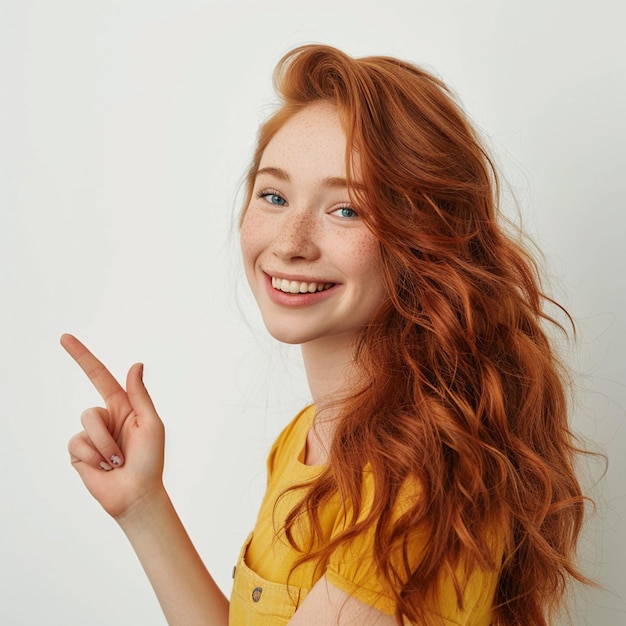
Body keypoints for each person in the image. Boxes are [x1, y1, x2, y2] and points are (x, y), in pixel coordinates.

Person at [62, 44, 590, 625]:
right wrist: (142, 505)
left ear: (426, 238)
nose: (289, 241)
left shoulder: (413, 476)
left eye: (346, 210)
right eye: (274, 195)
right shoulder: (305, 438)